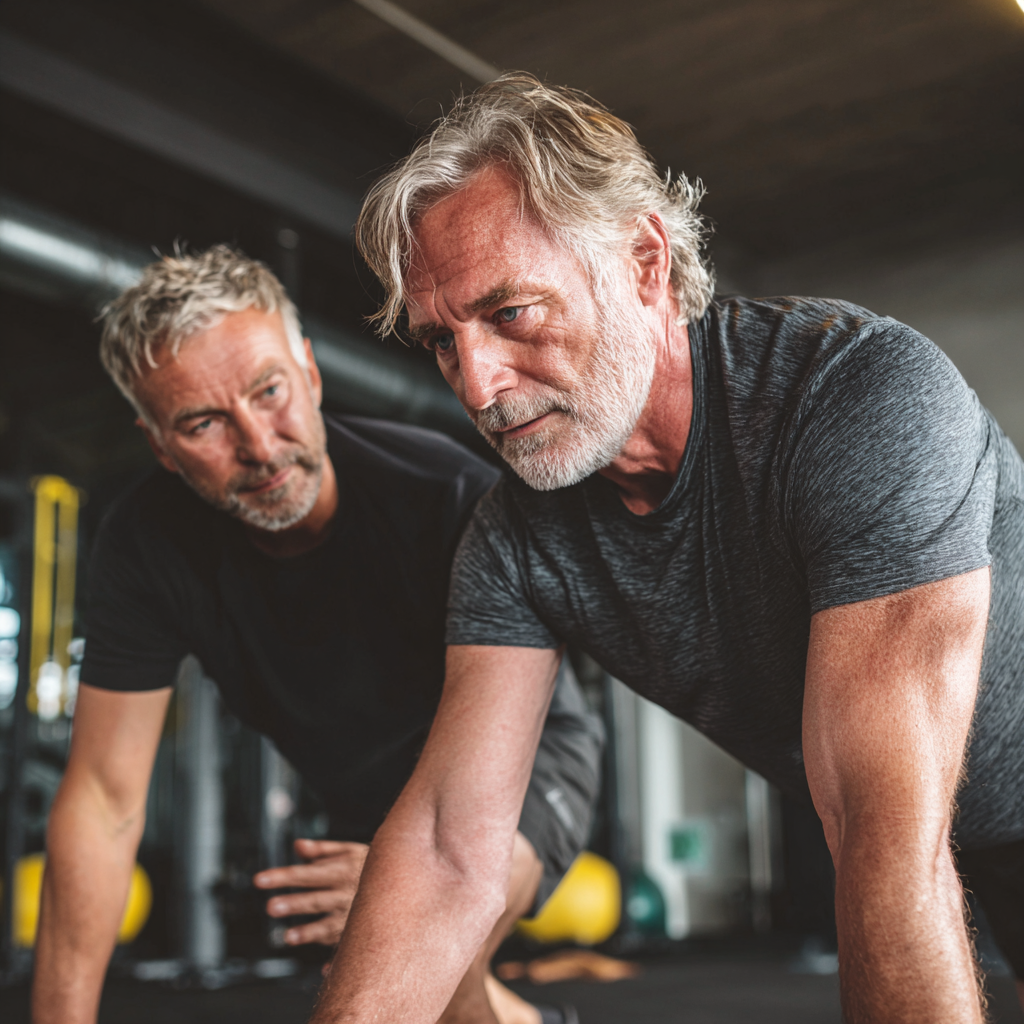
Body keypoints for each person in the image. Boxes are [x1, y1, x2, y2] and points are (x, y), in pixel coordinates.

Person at [303, 74, 1024, 1024]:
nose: (477, 387)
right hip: (930, 833)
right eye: (443, 342)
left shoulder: (853, 397)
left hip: (918, 817)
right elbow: (448, 848)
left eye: (511, 314)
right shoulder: (514, 540)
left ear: (644, 263)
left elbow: (878, 821)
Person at [32, 245, 603, 1024]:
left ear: (310, 371)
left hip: (525, 766)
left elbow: (482, 784)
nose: (260, 447)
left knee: (404, 951)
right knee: (416, 965)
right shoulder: (146, 547)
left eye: (269, 392)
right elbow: (102, 798)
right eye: (203, 424)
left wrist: (410, 884)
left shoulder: (447, 496)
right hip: (369, 798)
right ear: (159, 445)